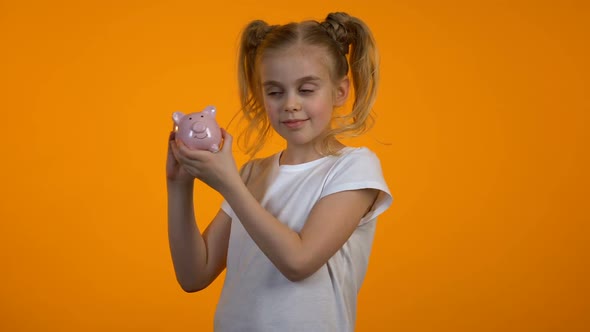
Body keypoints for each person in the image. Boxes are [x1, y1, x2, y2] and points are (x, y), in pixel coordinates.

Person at [166, 12, 393, 332]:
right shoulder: (251, 174)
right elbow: (193, 275)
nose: (290, 103)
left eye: (306, 89)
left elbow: (299, 262)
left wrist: (230, 185)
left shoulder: (353, 167)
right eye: (275, 92)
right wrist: (178, 185)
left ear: (339, 91)